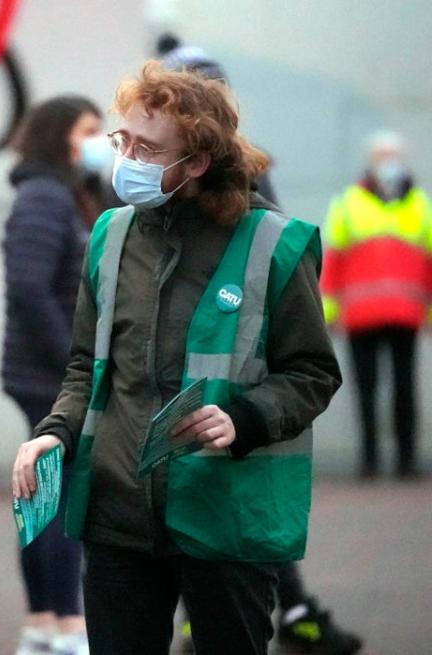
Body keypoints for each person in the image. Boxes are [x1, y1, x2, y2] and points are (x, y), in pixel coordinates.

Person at [12, 62, 342, 654]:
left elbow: (313, 372)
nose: (127, 159)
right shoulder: (110, 235)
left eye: (148, 148)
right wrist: (55, 431)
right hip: (118, 514)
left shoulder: (275, 244)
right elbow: (86, 364)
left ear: (196, 163)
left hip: (225, 514)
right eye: (124, 141)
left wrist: (246, 417)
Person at [158, 39, 364, 655]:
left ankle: (271, 609)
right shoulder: (141, 197)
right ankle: (284, 609)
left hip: (239, 370)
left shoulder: (246, 175)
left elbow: (270, 260)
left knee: (231, 497)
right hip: (186, 398)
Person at [2, 95, 107, 655]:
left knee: (40, 492)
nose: (101, 140)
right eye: (90, 129)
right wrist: (75, 364)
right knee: (59, 497)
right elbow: (28, 286)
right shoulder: (43, 195)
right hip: (49, 374)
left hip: (51, 370)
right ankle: (67, 624)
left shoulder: (75, 192)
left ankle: (42, 623)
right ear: (59, 134)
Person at [321, 130, 432, 480]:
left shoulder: (418, 203)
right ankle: (369, 459)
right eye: (382, 155)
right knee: (366, 389)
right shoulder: (348, 203)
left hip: (404, 314)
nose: (389, 162)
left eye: (393, 154)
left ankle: (406, 460)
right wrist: (328, 313)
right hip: (361, 315)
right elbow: (333, 261)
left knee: (404, 389)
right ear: (371, 161)